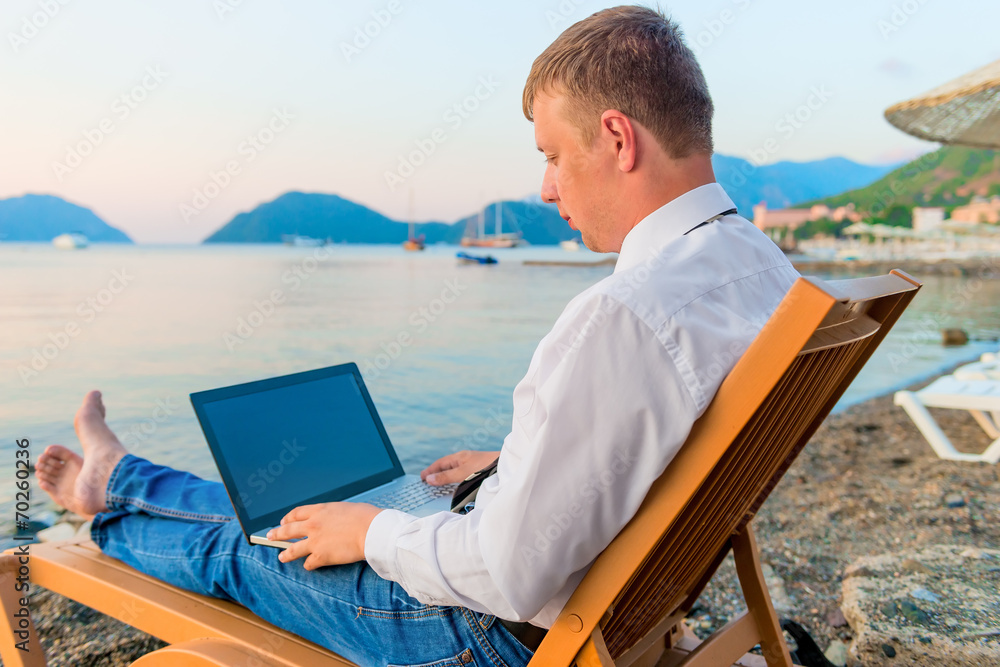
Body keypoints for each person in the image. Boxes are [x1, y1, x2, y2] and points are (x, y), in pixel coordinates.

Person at [35, 6, 799, 666]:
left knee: (246, 546)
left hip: (484, 634)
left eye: (553, 155)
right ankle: (120, 475)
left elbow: (506, 575)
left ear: (617, 138)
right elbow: (675, 442)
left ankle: (107, 488)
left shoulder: (626, 314)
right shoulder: (765, 273)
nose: (546, 187)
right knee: (298, 514)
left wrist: (372, 532)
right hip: (618, 596)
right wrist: (521, 466)